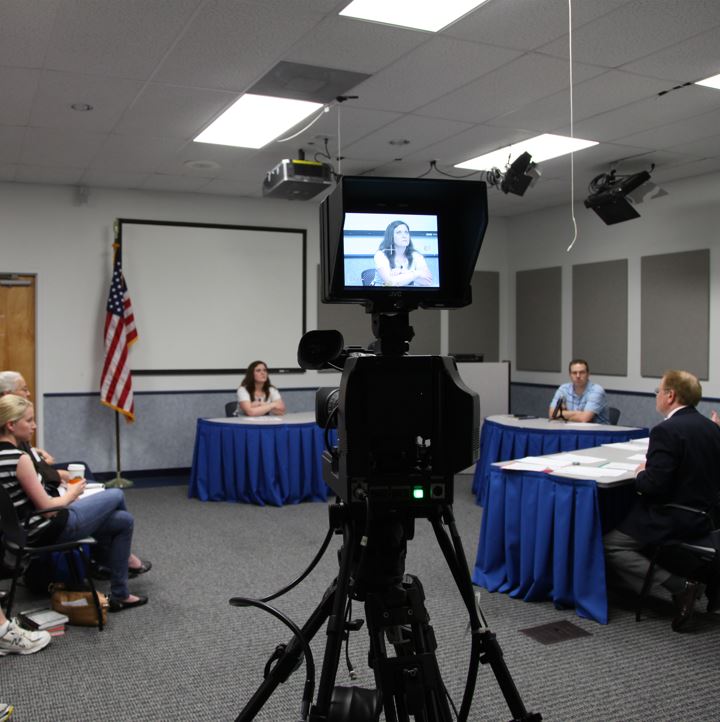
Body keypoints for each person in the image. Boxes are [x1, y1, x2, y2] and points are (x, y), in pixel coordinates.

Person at [0, 395, 150, 612]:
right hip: (47, 529)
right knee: (116, 494)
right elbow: (48, 510)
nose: (34, 426)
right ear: (11, 425)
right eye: (29, 421)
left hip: (24, 530)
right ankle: (123, 561)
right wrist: (72, 492)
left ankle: (121, 594)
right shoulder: (20, 459)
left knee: (124, 521)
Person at [604, 370, 720, 631]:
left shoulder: (666, 430)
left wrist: (641, 472)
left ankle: (680, 587)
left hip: (675, 517)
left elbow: (653, 487)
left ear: (670, 395)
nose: (656, 396)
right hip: (707, 516)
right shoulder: (711, 427)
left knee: (610, 544)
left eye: (658, 391)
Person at [0, 370, 67, 488]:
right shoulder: (11, 431)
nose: (29, 393)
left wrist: (35, 451)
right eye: (24, 389)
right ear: (7, 394)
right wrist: (71, 491)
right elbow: (45, 503)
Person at [373, 220, 433, 287]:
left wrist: (403, 272)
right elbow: (390, 283)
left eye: (406, 232)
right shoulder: (381, 255)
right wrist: (417, 274)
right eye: (399, 232)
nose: (404, 236)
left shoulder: (416, 255)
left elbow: (428, 281)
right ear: (391, 237)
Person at [548, 358, 609, 424]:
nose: (578, 376)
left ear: (588, 374)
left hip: (598, 432)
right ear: (570, 375)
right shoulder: (563, 389)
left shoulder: (596, 390)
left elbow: (584, 418)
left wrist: (561, 413)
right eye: (574, 373)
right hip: (572, 430)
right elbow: (552, 414)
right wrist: (578, 414)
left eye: (582, 372)